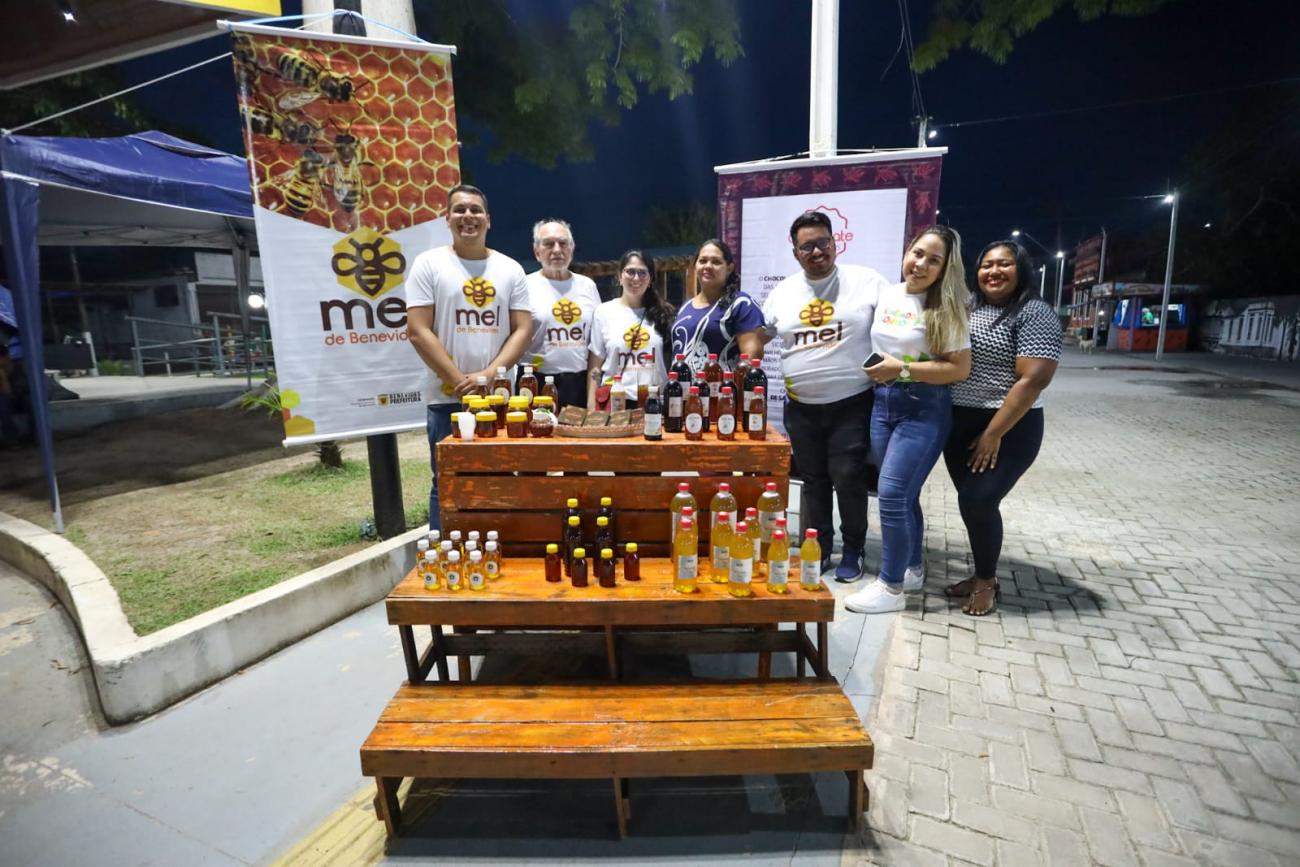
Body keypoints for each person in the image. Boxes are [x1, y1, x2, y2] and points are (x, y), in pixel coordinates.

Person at [846, 226, 972, 614]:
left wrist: (901, 369)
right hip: (882, 405)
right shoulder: (889, 293)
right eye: (918, 253)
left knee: (892, 494)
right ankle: (912, 568)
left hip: (923, 409)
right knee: (905, 495)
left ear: (945, 269)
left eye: (933, 260)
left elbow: (959, 369)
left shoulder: (947, 307)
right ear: (907, 251)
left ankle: (891, 587)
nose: (921, 264)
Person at [761, 211, 890, 582]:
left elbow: (898, 325)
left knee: (848, 477)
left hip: (853, 403)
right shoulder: (782, 293)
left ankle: (853, 549)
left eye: (823, 243)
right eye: (807, 246)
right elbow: (759, 336)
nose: (816, 251)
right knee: (814, 480)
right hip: (801, 408)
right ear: (795, 252)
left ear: (835, 243)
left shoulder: (867, 281)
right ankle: (819, 548)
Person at [943, 240, 1061, 616]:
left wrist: (993, 434)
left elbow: (1033, 379)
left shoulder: (1035, 312)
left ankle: (985, 581)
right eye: (986, 265)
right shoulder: (968, 307)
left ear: (1020, 269)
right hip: (959, 422)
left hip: (1010, 426)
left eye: (1004, 264)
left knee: (978, 500)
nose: (994, 271)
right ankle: (982, 572)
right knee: (971, 502)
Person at [405, 184, 532, 528]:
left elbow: (522, 329)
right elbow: (417, 330)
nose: (468, 216)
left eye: (475, 210)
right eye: (459, 210)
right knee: (447, 482)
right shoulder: (428, 264)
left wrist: (489, 375)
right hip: (446, 399)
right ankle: (447, 551)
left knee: (501, 480)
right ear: (447, 218)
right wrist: (459, 381)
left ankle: (499, 546)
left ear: (488, 220)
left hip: (499, 401)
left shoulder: (510, 269)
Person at [523, 218, 601, 408]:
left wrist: (593, 397)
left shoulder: (588, 286)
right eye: (549, 244)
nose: (557, 250)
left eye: (563, 243)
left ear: (571, 249)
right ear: (537, 252)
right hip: (536, 382)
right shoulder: (524, 286)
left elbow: (597, 344)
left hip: (579, 383)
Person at [587, 250, 672, 410]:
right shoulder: (604, 312)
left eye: (642, 273)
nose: (636, 278)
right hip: (616, 401)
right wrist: (591, 407)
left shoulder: (664, 314)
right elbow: (595, 365)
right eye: (630, 272)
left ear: (651, 279)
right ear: (619, 276)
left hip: (654, 400)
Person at [671, 238, 765, 371]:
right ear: (695, 265)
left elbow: (751, 359)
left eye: (716, 262)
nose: (708, 266)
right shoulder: (685, 308)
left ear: (729, 268)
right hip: (681, 384)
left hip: (722, 384)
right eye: (702, 261)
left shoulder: (741, 304)